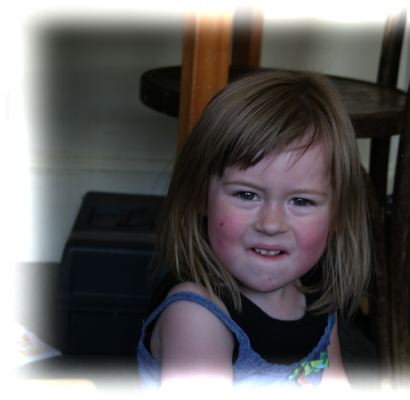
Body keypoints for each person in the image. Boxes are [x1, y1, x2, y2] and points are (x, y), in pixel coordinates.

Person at [137, 71, 371, 390]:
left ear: (338, 213)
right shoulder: (197, 316)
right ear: (199, 195)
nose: (271, 224)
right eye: (247, 195)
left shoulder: (316, 299)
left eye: (301, 201)